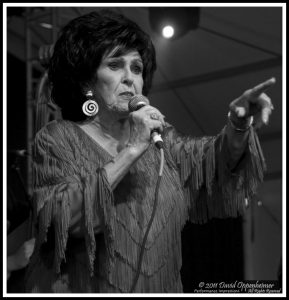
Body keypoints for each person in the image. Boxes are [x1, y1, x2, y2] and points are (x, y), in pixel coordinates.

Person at [24, 9, 275, 293]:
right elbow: (61, 220)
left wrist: (238, 124)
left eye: (137, 68)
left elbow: (211, 163)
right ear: (86, 81)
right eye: (115, 65)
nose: (130, 78)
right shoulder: (59, 137)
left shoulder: (162, 144)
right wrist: (133, 149)